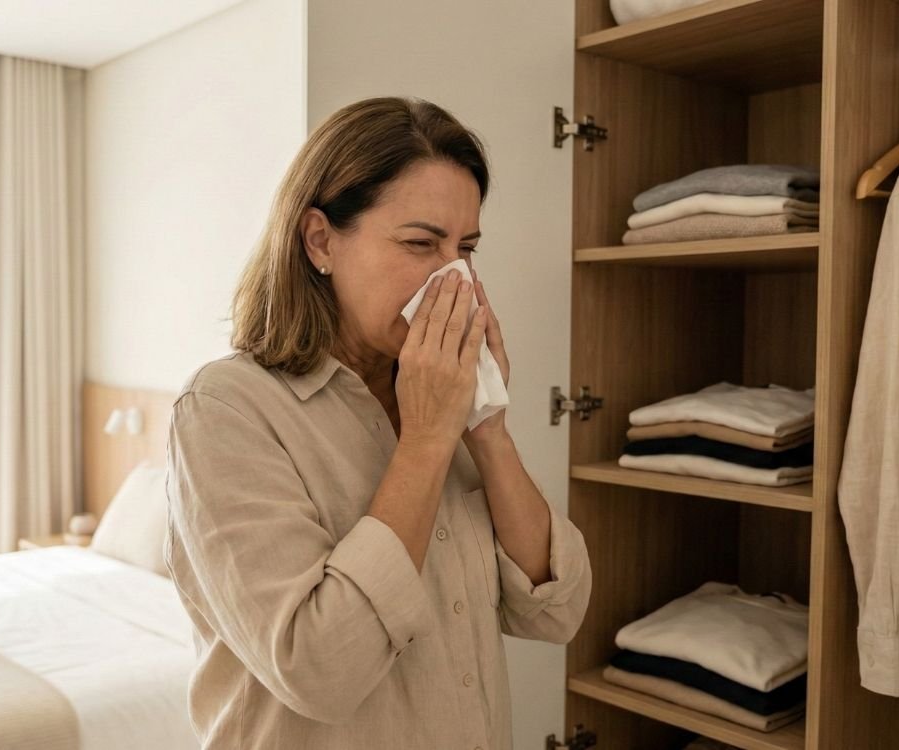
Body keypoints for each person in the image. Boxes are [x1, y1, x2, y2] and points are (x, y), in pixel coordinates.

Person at [163, 96, 592, 749]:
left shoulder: (440, 392)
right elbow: (321, 670)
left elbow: (556, 613)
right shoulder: (226, 410)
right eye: (421, 243)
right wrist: (424, 442)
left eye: (466, 248)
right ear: (320, 241)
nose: (454, 276)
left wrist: (488, 426)